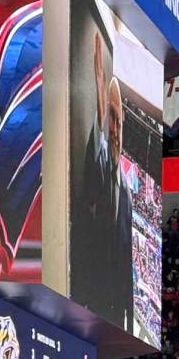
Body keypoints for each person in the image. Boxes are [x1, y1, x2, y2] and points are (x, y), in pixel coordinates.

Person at [79, 30, 134, 326]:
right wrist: (100, 83)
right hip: (90, 302)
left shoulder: (125, 191)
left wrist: (129, 315)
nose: (116, 127)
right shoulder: (96, 161)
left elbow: (126, 263)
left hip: (115, 308)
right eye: (111, 118)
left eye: (119, 120)